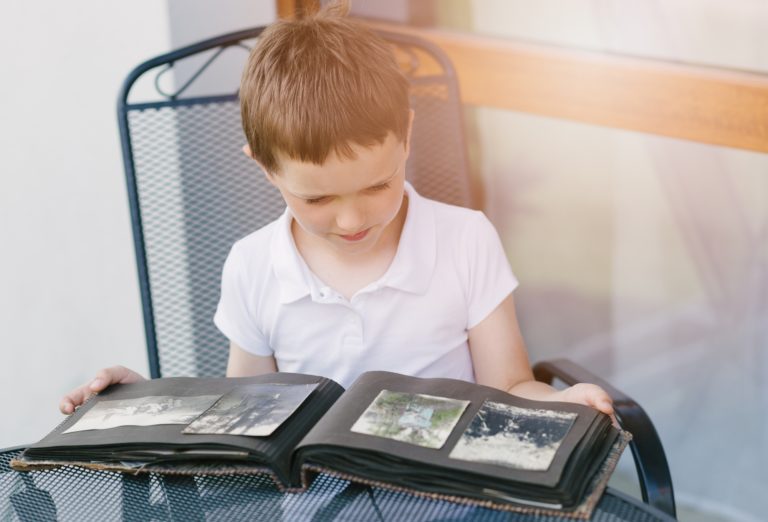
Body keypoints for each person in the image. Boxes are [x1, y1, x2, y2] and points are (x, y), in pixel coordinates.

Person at [60, 1, 614, 420]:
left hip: (451, 500)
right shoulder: (252, 266)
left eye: (378, 184)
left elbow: (510, 390)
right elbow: (240, 414)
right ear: (266, 168)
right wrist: (148, 404)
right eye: (318, 198)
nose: (352, 222)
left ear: (407, 137)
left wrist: (563, 405)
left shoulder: (466, 240)